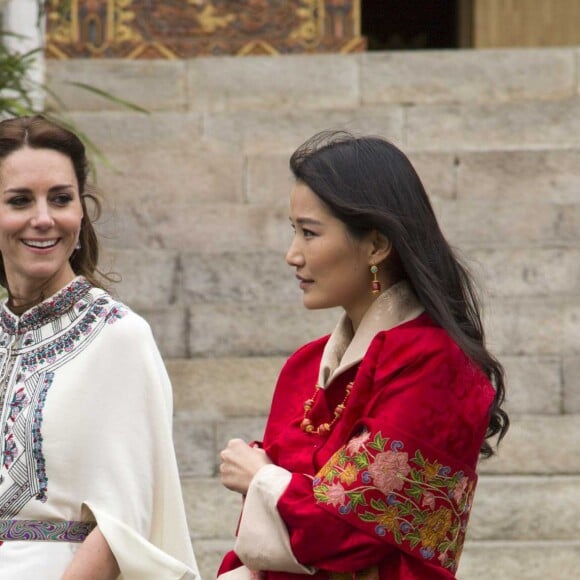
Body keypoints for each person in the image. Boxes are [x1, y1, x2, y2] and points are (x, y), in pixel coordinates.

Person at [218, 131, 509, 579]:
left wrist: (262, 479)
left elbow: (347, 531)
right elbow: (260, 541)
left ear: (376, 245)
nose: (292, 254)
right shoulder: (304, 367)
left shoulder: (436, 363)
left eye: (310, 233)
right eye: (293, 231)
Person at [0, 115, 199, 579]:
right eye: (19, 200)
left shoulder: (118, 336)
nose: (44, 218)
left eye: (61, 199)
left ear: (82, 212)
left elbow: (122, 525)